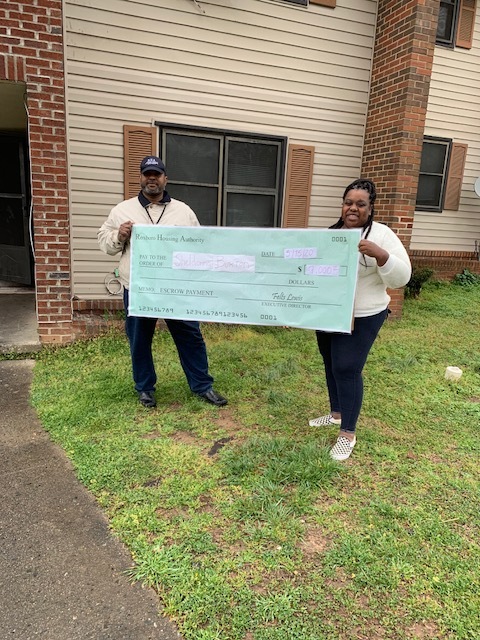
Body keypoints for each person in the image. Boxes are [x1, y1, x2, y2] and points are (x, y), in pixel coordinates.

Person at [98, 156, 227, 409]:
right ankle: (145, 388)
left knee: (191, 336)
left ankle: (203, 386)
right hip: (138, 289)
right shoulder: (122, 210)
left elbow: (199, 245)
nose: (152, 178)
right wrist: (118, 235)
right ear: (141, 178)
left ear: (165, 178)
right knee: (139, 340)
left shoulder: (183, 210)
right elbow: (104, 243)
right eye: (147, 174)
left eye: (157, 174)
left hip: (176, 289)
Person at [309, 179, 411, 461]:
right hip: (330, 311)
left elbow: (402, 276)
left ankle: (347, 434)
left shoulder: (382, 234)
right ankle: (336, 413)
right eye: (348, 202)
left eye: (360, 204)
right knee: (330, 361)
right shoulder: (333, 233)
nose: (353, 208)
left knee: (347, 367)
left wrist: (380, 255)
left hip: (365, 314)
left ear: (370, 207)